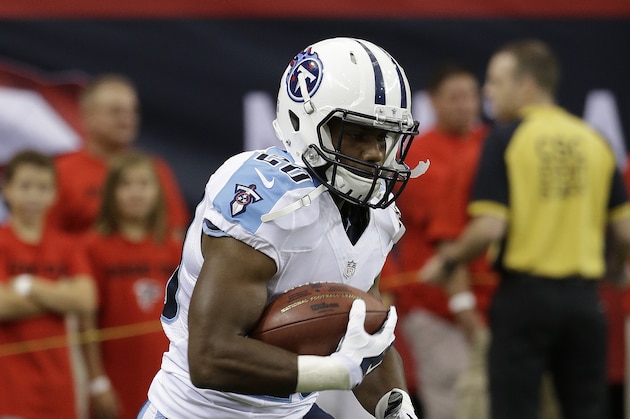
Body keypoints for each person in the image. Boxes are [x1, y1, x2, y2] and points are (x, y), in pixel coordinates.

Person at [138, 37, 427, 419]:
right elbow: (209, 356)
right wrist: (332, 372)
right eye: (356, 134)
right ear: (302, 121)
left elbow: (363, 328)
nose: (375, 153)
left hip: (293, 411)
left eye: (384, 137)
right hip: (199, 411)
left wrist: (395, 407)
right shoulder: (267, 200)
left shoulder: (377, 214)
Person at [421, 39, 630, 419]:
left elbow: (489, 227)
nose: (488, 93)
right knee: (585, 409)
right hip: (586, 303)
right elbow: (626, 232)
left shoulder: (506, 138)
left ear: (527, 86)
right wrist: (616, 267)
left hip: (525, 302)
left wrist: (449, 261)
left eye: (496, 82)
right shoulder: (595, 141)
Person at [380, 62, 495, 419]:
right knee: (455, 404)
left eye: (471, 96)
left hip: (496, 306)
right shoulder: (416, 158)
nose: (465, 105)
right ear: (433, 102)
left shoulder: (492, 145)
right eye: (454, 97)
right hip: (436, 305)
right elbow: (444, 239)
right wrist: (463, 308)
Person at [81, 152, 182, 419]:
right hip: (114, 376)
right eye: (126, 184)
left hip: (166, 376)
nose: (136, 193)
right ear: (110, 192)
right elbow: (86, 321)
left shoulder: (174, 249)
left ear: (159, 192)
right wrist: (97, 381)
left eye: (144, 184)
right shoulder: (93, 248)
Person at [0, 150, 96, 418]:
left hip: (59, 391)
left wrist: (28, 285)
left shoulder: (68, 246)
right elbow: (2, 306)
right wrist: (60, 296)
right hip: (9, 393)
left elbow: (86, 299)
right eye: (25, 186)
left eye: (42, 187)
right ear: (6, 190)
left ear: (54, 194)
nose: (33, 195)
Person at [47, 73, 189, 240]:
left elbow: (175, 233)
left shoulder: (155, 169)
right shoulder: (61, 172)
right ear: (87, 116)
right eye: (115, 112)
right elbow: (46, 240)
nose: (127, 120)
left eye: (132, 112)